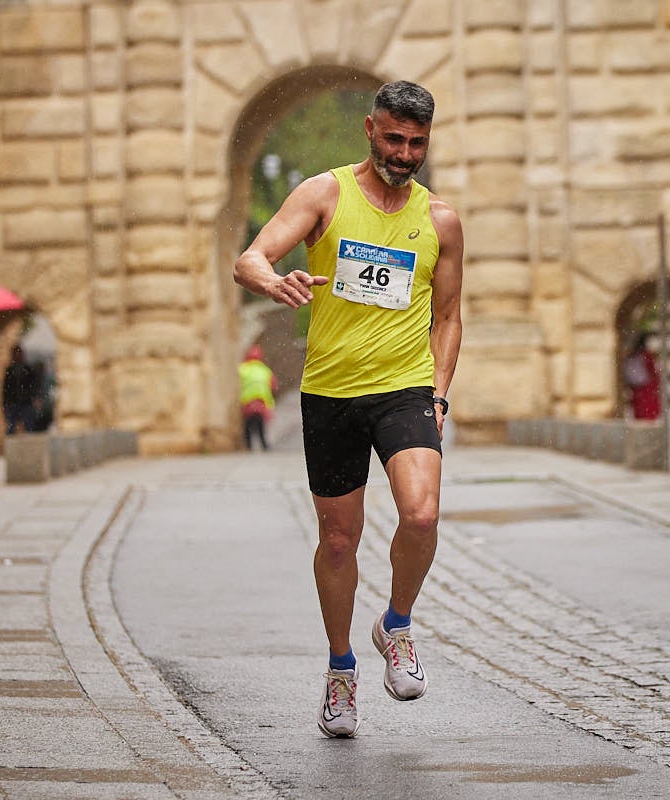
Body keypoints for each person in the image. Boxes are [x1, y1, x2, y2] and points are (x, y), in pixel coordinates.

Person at [233, 80, 463, 739]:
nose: (404, 153)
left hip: (405, 387)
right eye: (394, 139)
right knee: (339, 538)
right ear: (369, 129)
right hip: (331, 391)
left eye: (416, 143)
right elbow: (250, 258)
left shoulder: (440, 220)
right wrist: (274, 280)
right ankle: (341, 670)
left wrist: (439, 391)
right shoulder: (324, 195)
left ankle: (396, 625)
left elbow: (449, 317)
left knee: (421, 514)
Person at [238, 343, 279, 450]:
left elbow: (236, 384)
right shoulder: (265, 370)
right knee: (261, 425)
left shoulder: (243, 369)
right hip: (262, 402)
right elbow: (273, 386)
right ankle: (264, 445)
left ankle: (249, 446)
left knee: (248, 426)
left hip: (247, 402)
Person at [624, 332, 661, 421]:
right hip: (645, 387)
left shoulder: (635, 356)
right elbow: (652, 371)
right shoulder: (644, 356)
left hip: (640, 387)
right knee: (646, 413)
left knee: (642, 413)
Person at [2, 345, 38, 435]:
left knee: (29, 426)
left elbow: (33, 384)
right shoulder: (9, 370)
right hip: (12, 402)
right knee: (11, 427)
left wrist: (34, 396)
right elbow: (5, 387)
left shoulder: (28, 369)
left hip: (25, 402)